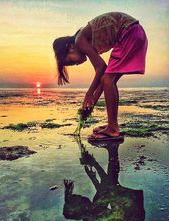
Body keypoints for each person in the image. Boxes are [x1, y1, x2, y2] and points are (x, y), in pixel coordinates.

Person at [53, 12, 148, 141]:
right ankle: (112, 125)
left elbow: (101, 67)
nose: (75, 64)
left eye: (71, 61)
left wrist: (89, 93)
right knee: (108, 80)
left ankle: (113, 128)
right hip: (134, 33)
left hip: (129, 33)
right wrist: (91, 105)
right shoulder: (86, 40)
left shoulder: (80, 40)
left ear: (70, 47)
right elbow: (103, 77)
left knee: (108, 80)